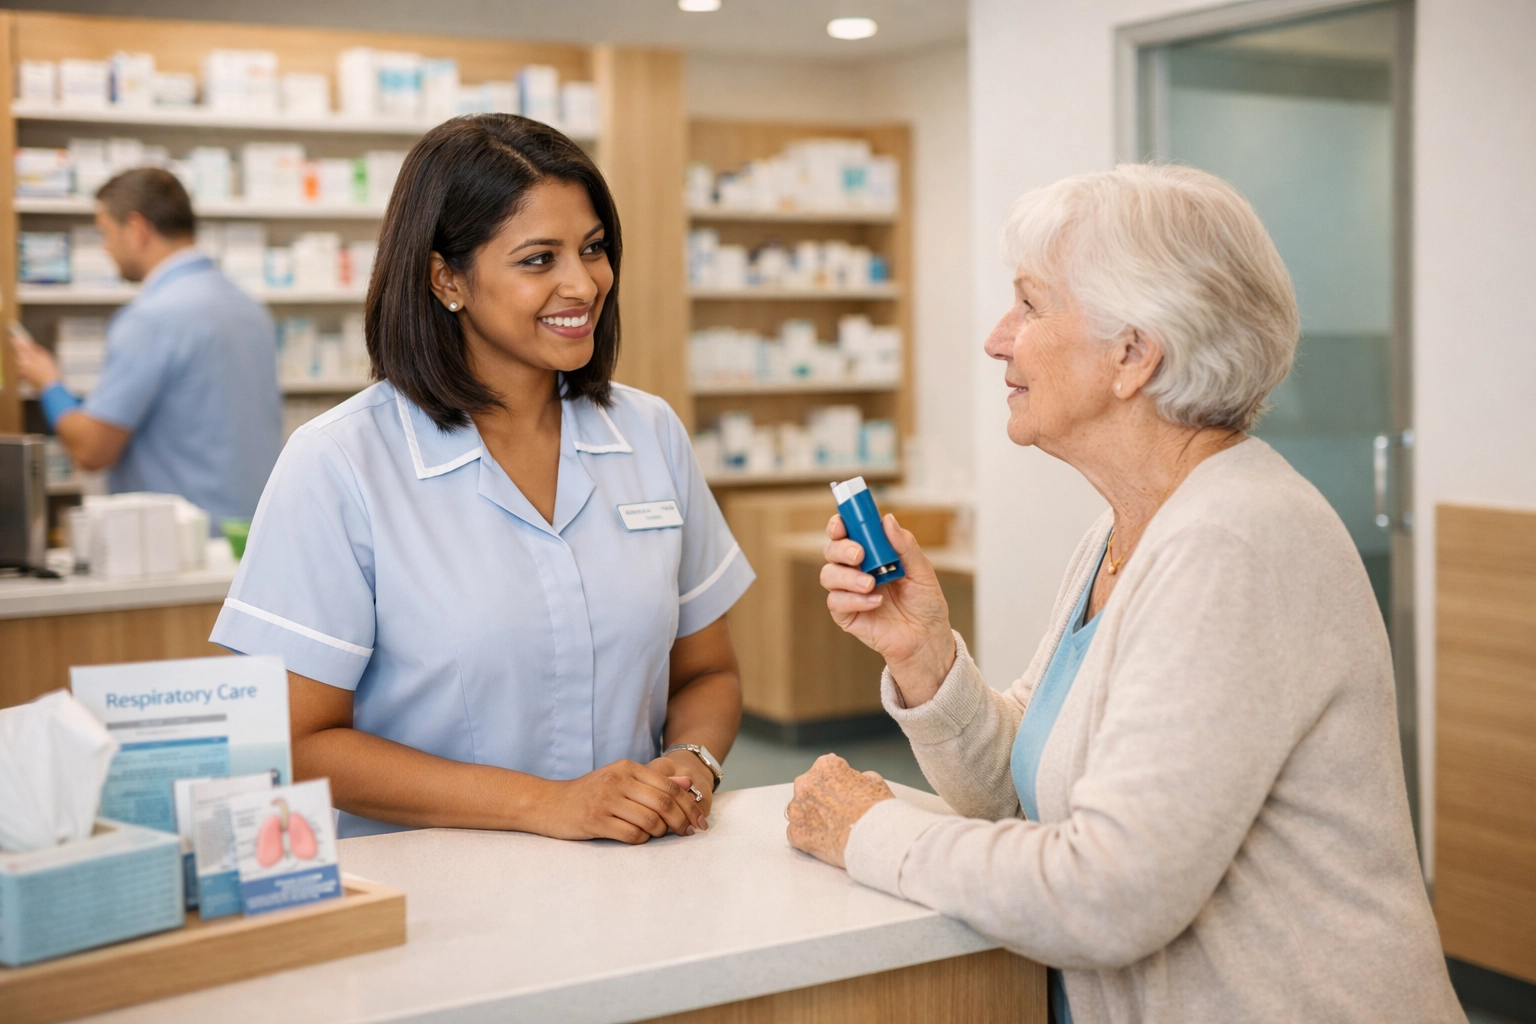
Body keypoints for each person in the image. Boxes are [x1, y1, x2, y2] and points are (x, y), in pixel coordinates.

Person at [786, 165, 1462, 1022]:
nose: (998, 339)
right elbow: (1022, 798)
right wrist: (923, 654)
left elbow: (1108, 895)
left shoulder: (1234, 545)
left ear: (1133, 355)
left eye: (1029, 305)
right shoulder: (1129, 530)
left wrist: (868, 831)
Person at [211, 114, 754, 843]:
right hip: (432, 902)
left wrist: (688, 767)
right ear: (447, 279)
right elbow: (294, 738)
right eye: (538, 260)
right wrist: (547, 804)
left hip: (634, 873)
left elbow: (706, 674)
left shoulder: (649, 432)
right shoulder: (340, 462)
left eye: (593, 249)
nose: (582, 283)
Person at [9, 167, 281, 528]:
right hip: (250, 537)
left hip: (178, 551)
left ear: (137, 230)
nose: (105, 247)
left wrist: (49, 384)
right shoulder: (249, 308)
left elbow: (92, 450)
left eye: (105, 232)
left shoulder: (150, 319)